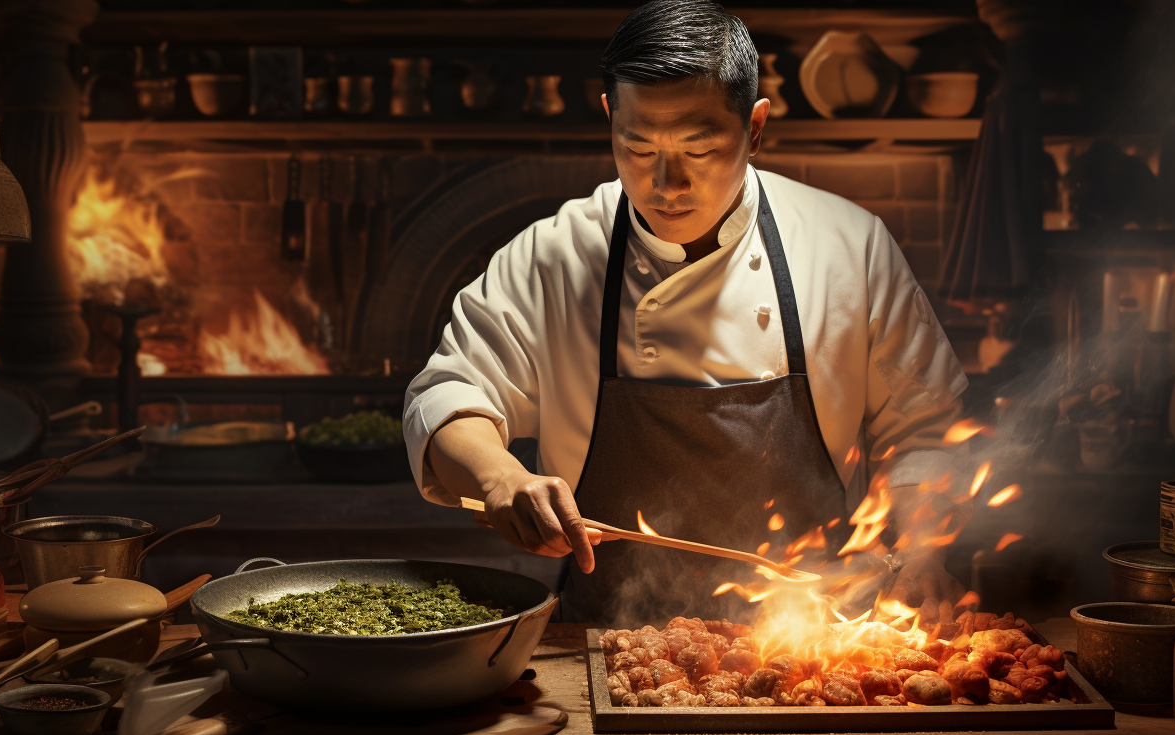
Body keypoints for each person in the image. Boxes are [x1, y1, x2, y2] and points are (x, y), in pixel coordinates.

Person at [403, 0, 969, 625]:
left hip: (824, 634)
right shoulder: (552, 255)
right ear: (609, 117)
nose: (667, 184)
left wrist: (919, 552)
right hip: (609, 637)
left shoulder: (849, 246)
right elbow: (449, 392)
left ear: (755, 128)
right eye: (639, 149)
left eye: (699, 151)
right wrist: (497, 475)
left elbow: (925, 430)